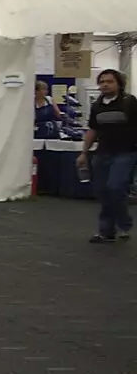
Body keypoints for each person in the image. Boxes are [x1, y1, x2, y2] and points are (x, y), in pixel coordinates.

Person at [79, 68, 137, 244]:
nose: (105, 84)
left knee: (115, 187)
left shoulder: (130, 102)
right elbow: (93, 130)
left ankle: (124, 224)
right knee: (102, 192)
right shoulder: (97, 105)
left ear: (119, 84)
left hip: (126, 152)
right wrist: (83, 153)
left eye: (109, 81)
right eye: (102, 81)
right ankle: (106, 231)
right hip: (102, 153)